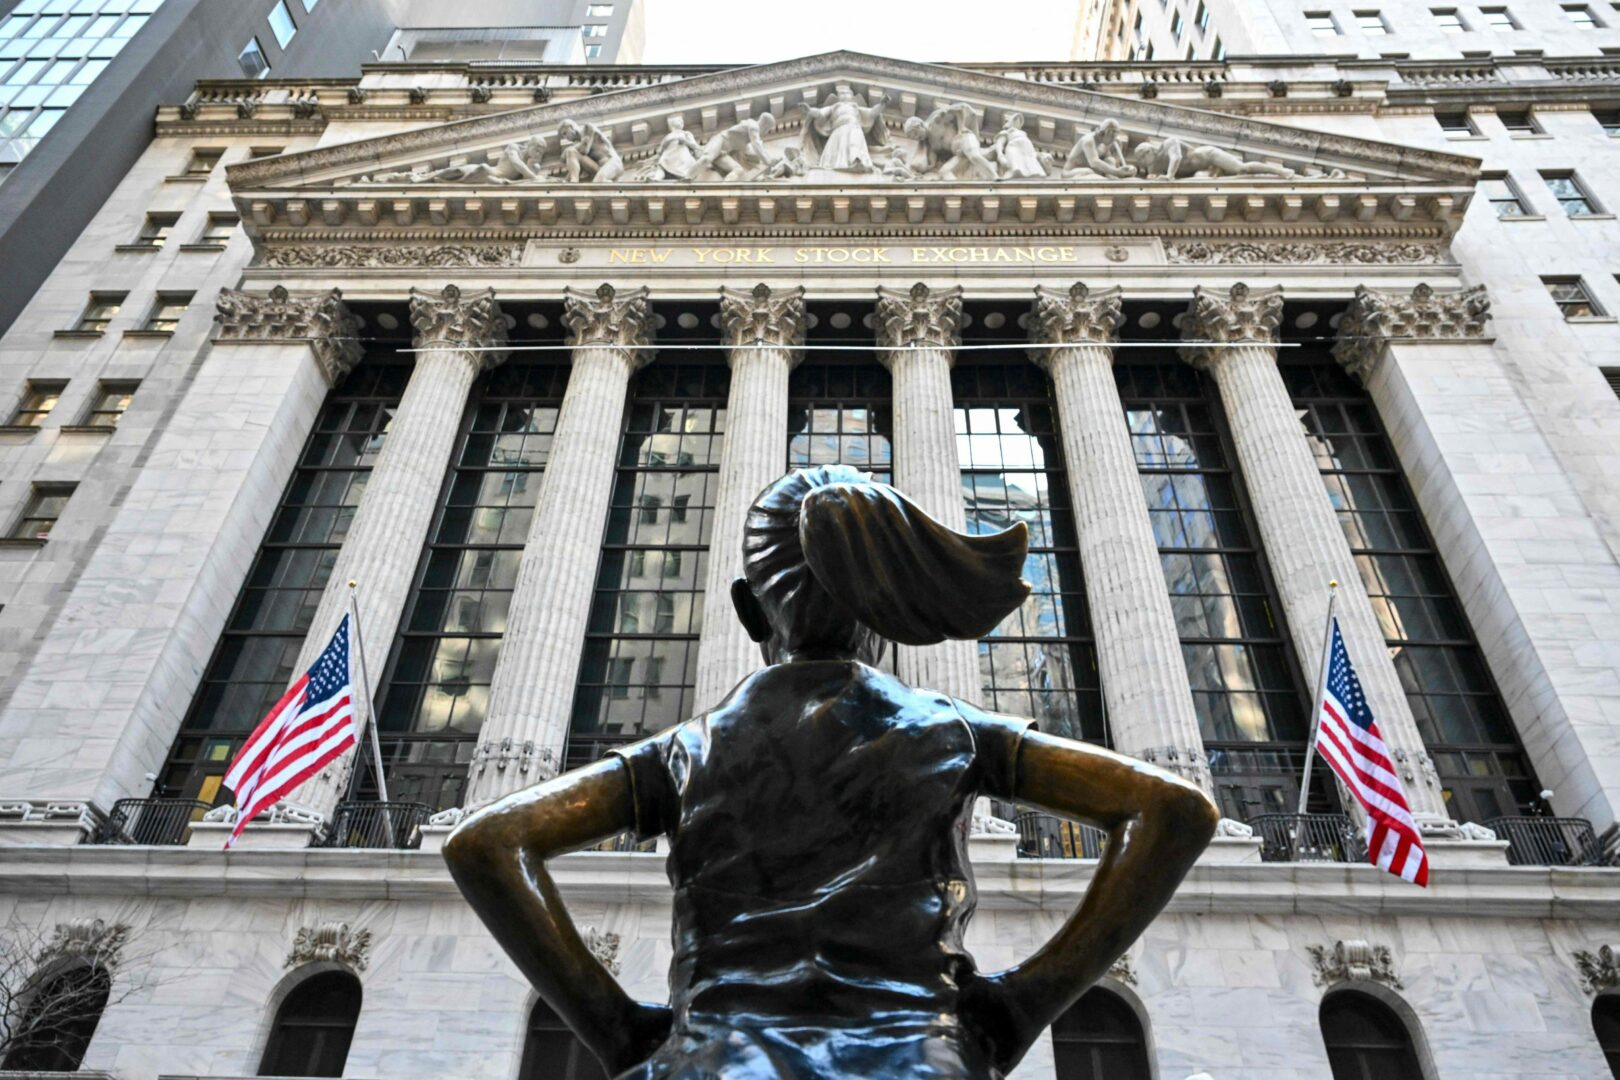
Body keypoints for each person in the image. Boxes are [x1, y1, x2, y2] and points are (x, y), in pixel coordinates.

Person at [445, 466, 1219, 1079]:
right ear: (885, 611)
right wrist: (1022, 1005)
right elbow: (1172, 810)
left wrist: (618, 1033)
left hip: (717, 1063)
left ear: (750, 610)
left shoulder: (684, 751)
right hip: (918, 1063)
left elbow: (486, 842)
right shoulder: (951, 731)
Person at [559, 118, 624, 183]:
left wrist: (567, 150)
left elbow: (585, 149)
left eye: (565, 133)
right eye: (563, 136)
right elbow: (575, 167)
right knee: (571, 152)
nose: (565, 138)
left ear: (571, 127)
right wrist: (566, 179)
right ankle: (573, 182)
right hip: (599, 168)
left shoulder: (587, 128)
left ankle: (612, 185)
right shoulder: (577, 146)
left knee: (598, 181)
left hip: (612, 162)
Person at [991, 112, 1045, 178]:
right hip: (1014, 148)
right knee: (1015, 165)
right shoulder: (1007, 132)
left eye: (1019, 120)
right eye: (1016, 119)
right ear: (1011, 121)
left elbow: (1032, 151)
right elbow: (999, 143)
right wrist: (1000, 155)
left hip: (1027, 150)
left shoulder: (1023, 133)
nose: (1018, 121)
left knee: (1030, 165)